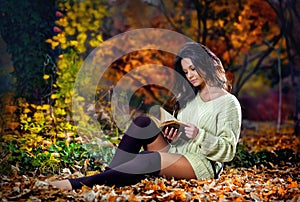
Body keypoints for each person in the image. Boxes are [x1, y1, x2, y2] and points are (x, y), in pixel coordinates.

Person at [49, 42, 242, 190]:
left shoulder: (228, 103)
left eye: (193, 68)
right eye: (185, 71)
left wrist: (199, 135)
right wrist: (174, 136)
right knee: (144, 123)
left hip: (202, 165)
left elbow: (228, 151)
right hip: (180, 153)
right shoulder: (191, 99)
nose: (190, 75)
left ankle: (77, 184)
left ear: (205, 64)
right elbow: (183, 135)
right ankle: (109, 176)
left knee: (147, 158)